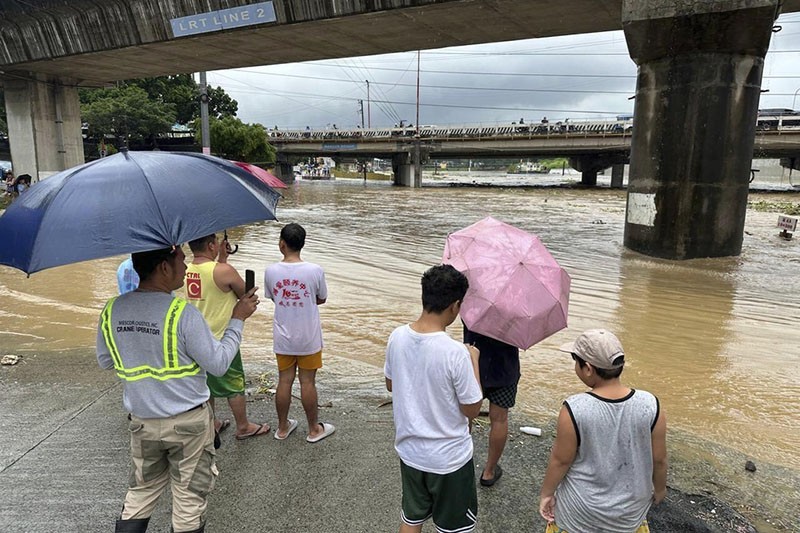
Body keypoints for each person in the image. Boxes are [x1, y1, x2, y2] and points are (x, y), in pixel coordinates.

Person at [96, 246, 259, 533]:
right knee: (188, 502)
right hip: (188, 426)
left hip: (142, 423)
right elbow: (219, 364)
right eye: (180, 261)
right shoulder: (182, 314)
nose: (185, 267)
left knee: (140, 493)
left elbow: (106, 360)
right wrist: (238, 319)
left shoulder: (112, 310)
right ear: (163, 267)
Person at [384, 264, 483, 533]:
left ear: (424, 297)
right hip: (448, 460)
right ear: (455, 306)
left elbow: (391, 384)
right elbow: (472, 408)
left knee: (411, 519)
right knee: (452, 528)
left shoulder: (397, 337)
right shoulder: (455, 353)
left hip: (411, 452)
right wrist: (473, 360)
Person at [539, 329, 668, 533]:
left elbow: (561, 460)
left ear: (588, 369)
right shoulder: (650, 404)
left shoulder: (574, 408)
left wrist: (547, 494)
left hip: (580, 514)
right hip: (629, 516)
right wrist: (660, 489)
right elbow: (659, 459)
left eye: (576, 362)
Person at [186, 234, 270, 440]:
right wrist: (223, 263)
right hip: (222, 336)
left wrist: (222, 258)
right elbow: (246, 294)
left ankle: (212, 423)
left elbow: (212, 285)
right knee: (233, 382)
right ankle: (243, 426)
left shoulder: (186, 270)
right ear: (211, 245)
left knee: (206, 383)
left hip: (196, 337)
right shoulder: (224, 271)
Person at [263, 223, 335, 443]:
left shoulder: (271, 271)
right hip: (308, 337)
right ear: (303, 244)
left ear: (281, 244)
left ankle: (282, 428)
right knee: (307, 383)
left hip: (283, 336)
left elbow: (274, 297)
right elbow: (321, 298)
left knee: (284, 381)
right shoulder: (315, 270)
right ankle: (314, 429)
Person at [463, 325, 519, 487]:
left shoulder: (473, 302)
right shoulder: (518, 309)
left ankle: (460, 464)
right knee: (499, 419)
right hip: (504, 369)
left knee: (466, 416)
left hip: (473, 365)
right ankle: (489, 472)